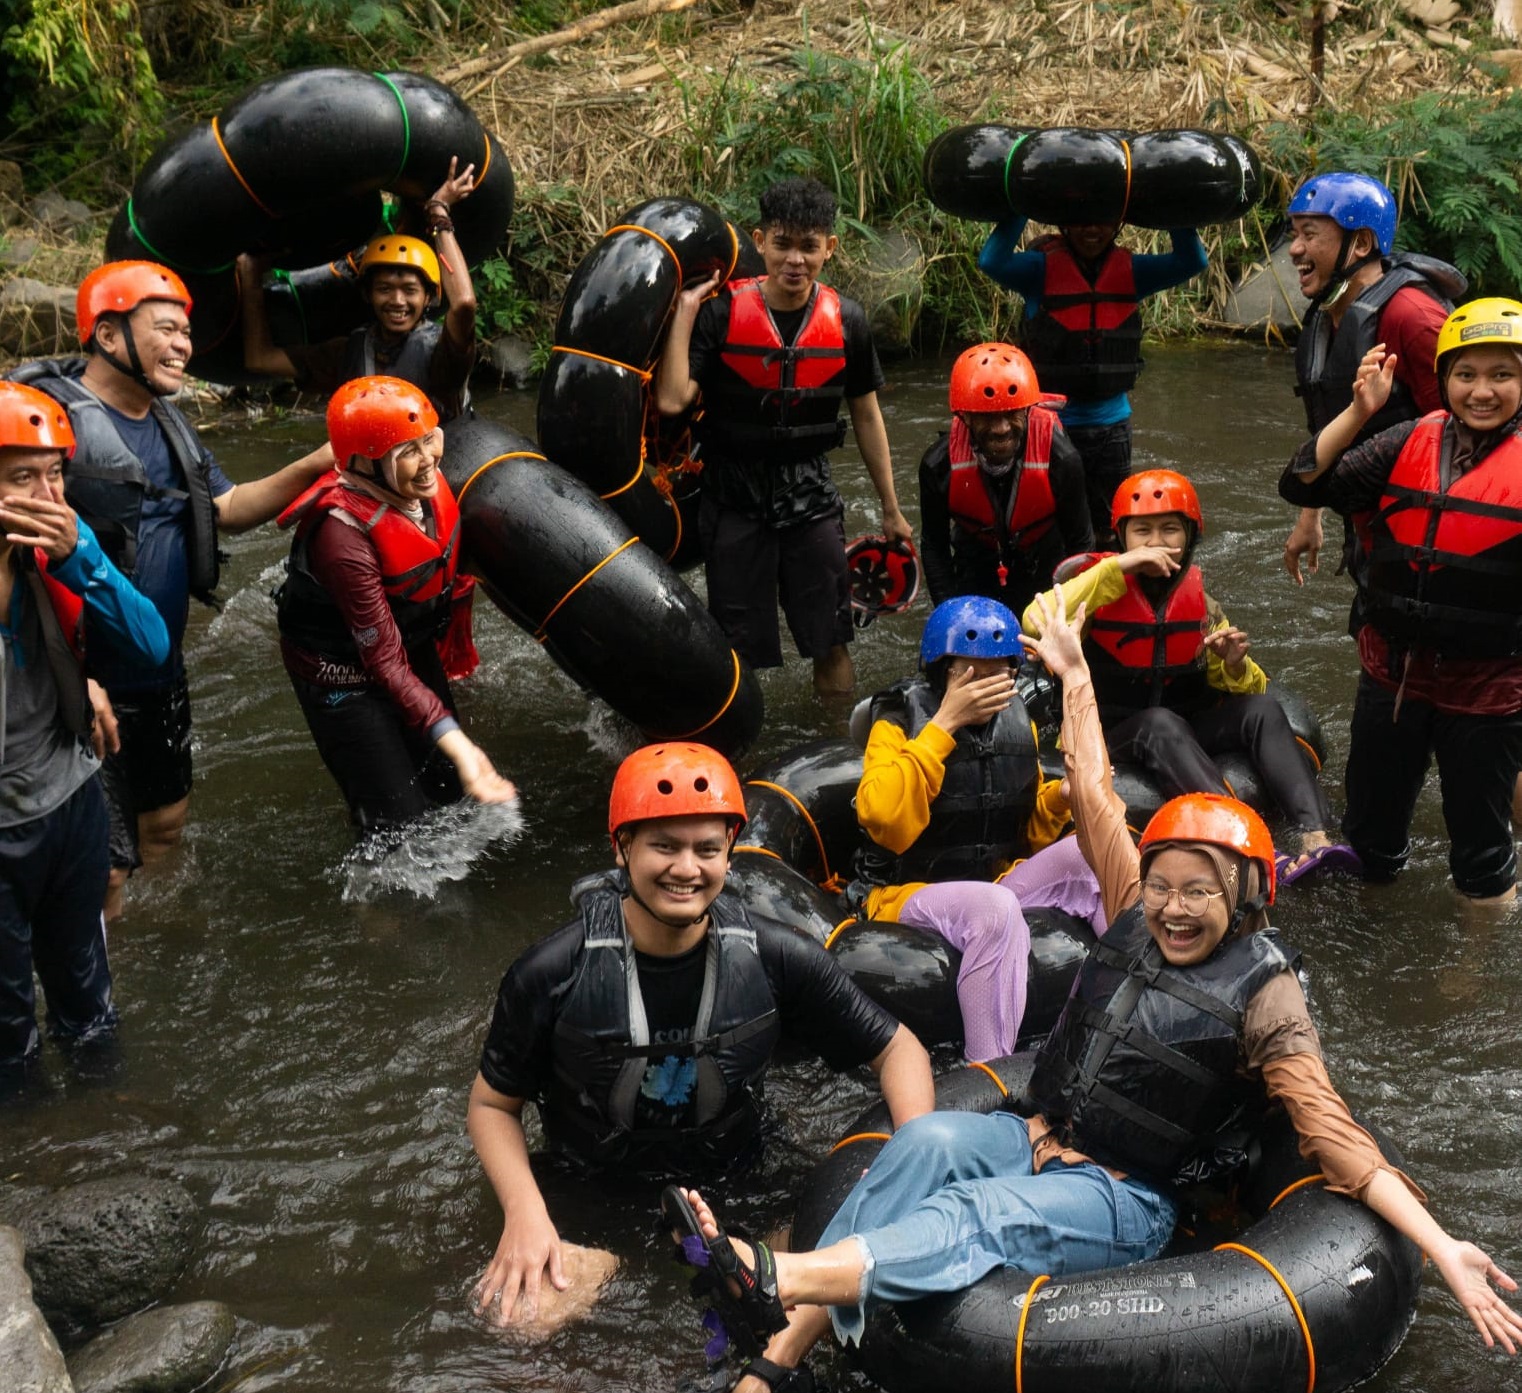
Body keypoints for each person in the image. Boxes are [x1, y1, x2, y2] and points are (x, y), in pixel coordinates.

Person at [661, 588, 1522, 1392]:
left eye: (1202, 892)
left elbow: (1335, 1136)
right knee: (924, 1147)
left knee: (971, 1210)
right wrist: (1075, 679)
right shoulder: (1136, 914)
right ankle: (776, 1355)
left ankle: (771, 1276)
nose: (1175, 908)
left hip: (1127, 1196)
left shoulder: (1268, 997)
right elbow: (1095, 795)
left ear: (1247, 898)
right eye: (1163, 886)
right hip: (1041, 1132)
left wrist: (1444, 1249)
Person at [467, 742, 933, 1328]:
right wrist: (524, 1212)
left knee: (788, 1307)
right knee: (521, 1325)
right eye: (664, 845)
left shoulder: (777, 956)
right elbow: (490, 1104)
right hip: (593, 1188)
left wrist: (911, 1161)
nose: (686, 869)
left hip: (740, 1183)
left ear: (729, 856)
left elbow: (897, 1049)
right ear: (622, 847)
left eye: (706, 849)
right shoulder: (552, 972)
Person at [9, 261, 334, 919]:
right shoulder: (42, 430)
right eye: (167, 329)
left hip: (155, 669)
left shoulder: (169, 422)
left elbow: (228, 505)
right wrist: (66, 671)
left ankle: (151, 953)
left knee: (162, 830)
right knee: (106, 868)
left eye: (187, 331)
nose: (186, 344)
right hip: (76, 677)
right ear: (107, 335)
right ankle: (99, 977)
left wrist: (319, 460)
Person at [1278, 299, 1522, 904]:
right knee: (1370, 847)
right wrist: (1360, 410)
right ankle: (1373, 930)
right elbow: (1304, 481)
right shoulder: (1411, 438)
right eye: (1466, 375)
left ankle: (1472, 965)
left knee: (1483, 861)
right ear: (1444, 381)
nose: (1482, 391)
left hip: (1487, 695)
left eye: (1503, 375)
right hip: (1392, 680)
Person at [1025, 469, 1355, 883]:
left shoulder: (1201, 602)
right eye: (1142, 531)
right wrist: (1119, 567)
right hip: (1111, 732)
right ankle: (1253, 846)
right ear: (1122, 538)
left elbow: (1248, 686)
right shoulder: (1092, 592)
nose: (1156, 542)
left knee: (1262, 709)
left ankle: (1316, 840)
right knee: (1159, 724)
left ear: (1190, 537)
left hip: (1184, 728)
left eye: (1169, 530)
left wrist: (1235, 663)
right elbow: (1036, 622)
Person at [655, 176, 913, 696]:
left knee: (831, 639)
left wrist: (891, 506)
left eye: (809, 247)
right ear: (760, 240)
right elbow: (672, 399)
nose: (795, 260)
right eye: (783, 244)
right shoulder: (721, 313)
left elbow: (866, 414)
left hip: (810, 495)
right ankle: (738, 764)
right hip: (732, 496)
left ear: (829, 249)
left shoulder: (848, 322)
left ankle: (836, 750)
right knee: (734, 647)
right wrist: (685, 314)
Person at [0, 381, 169, 1086]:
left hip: (70, 803)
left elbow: (152, 647)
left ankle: (110, 1129)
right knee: (8, 1035)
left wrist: (84, 560)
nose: (47, 495)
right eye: (20, 478)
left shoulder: (59, 548)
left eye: (55, 474)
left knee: (89, 1009)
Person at [850, 594, 1104, 1061]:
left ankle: (1126, 1016)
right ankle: (988, 1071)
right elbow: (882, 818)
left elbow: (1028, 833)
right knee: (995, 907)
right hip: (905, 893)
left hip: (993, 879)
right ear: (941, 670)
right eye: (967, 674)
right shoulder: (899, 720)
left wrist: (1062, 798)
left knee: (1094, 858)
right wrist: (945, 725)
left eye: (996, 674)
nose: (983, 687)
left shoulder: (1016, 723)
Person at [276, 376, 513, 834]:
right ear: (364, 463)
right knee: (399, 832)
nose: (427, 463)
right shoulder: (341, 537)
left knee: (451, 792)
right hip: (341, 675)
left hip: (407, 643)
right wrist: (460, 744)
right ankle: (378, 904)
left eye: (429, 441)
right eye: (407, 452)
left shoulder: (420, 489)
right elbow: (382, 662)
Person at [1280, 171, 1464, 595]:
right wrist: (1310, 514)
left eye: (1309, 234)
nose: (1294, 249)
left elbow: (1471, 432)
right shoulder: (1325, 317)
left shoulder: (1413, 318)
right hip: (1368, 525)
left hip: (1426, 536)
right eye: (1294, 234)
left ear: (1360, 243)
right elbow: (1327, 422)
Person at [978, 215, 1207, 540]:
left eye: (1101, 220)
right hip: (1050, 430)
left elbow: (1192, 260)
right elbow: (991, 260)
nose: (1091, 228)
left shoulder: (1132, 272)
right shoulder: (1037, 271)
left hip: (1111, 432)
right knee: (1049, 530)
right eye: (1082, 220)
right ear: (1064, 224)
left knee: (1110, 530)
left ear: (1117, 224)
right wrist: (1021, 206)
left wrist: (1167, 206)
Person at [237, 157, 479, 424]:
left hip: (441, 458)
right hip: (376, 460)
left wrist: (439, 212)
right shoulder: (348, 351)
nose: (397, 301)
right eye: (385, 289)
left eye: (410, 290)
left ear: (429, 297)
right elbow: (260, 359)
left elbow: (464, 303)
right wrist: (251, 277)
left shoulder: (444, 351)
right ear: (367, 295)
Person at [917, 342, 1093, 611]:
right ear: (965, 417)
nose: (1001, 429)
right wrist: (949, 614)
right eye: (987, 417)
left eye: (1011, 413)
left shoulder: (1062, 460)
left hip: (1043, 557)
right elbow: (934, 547)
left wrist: (1072, 612)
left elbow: (1080, 544)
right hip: (976, 558)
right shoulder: (938, 465)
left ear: (1027, 410)